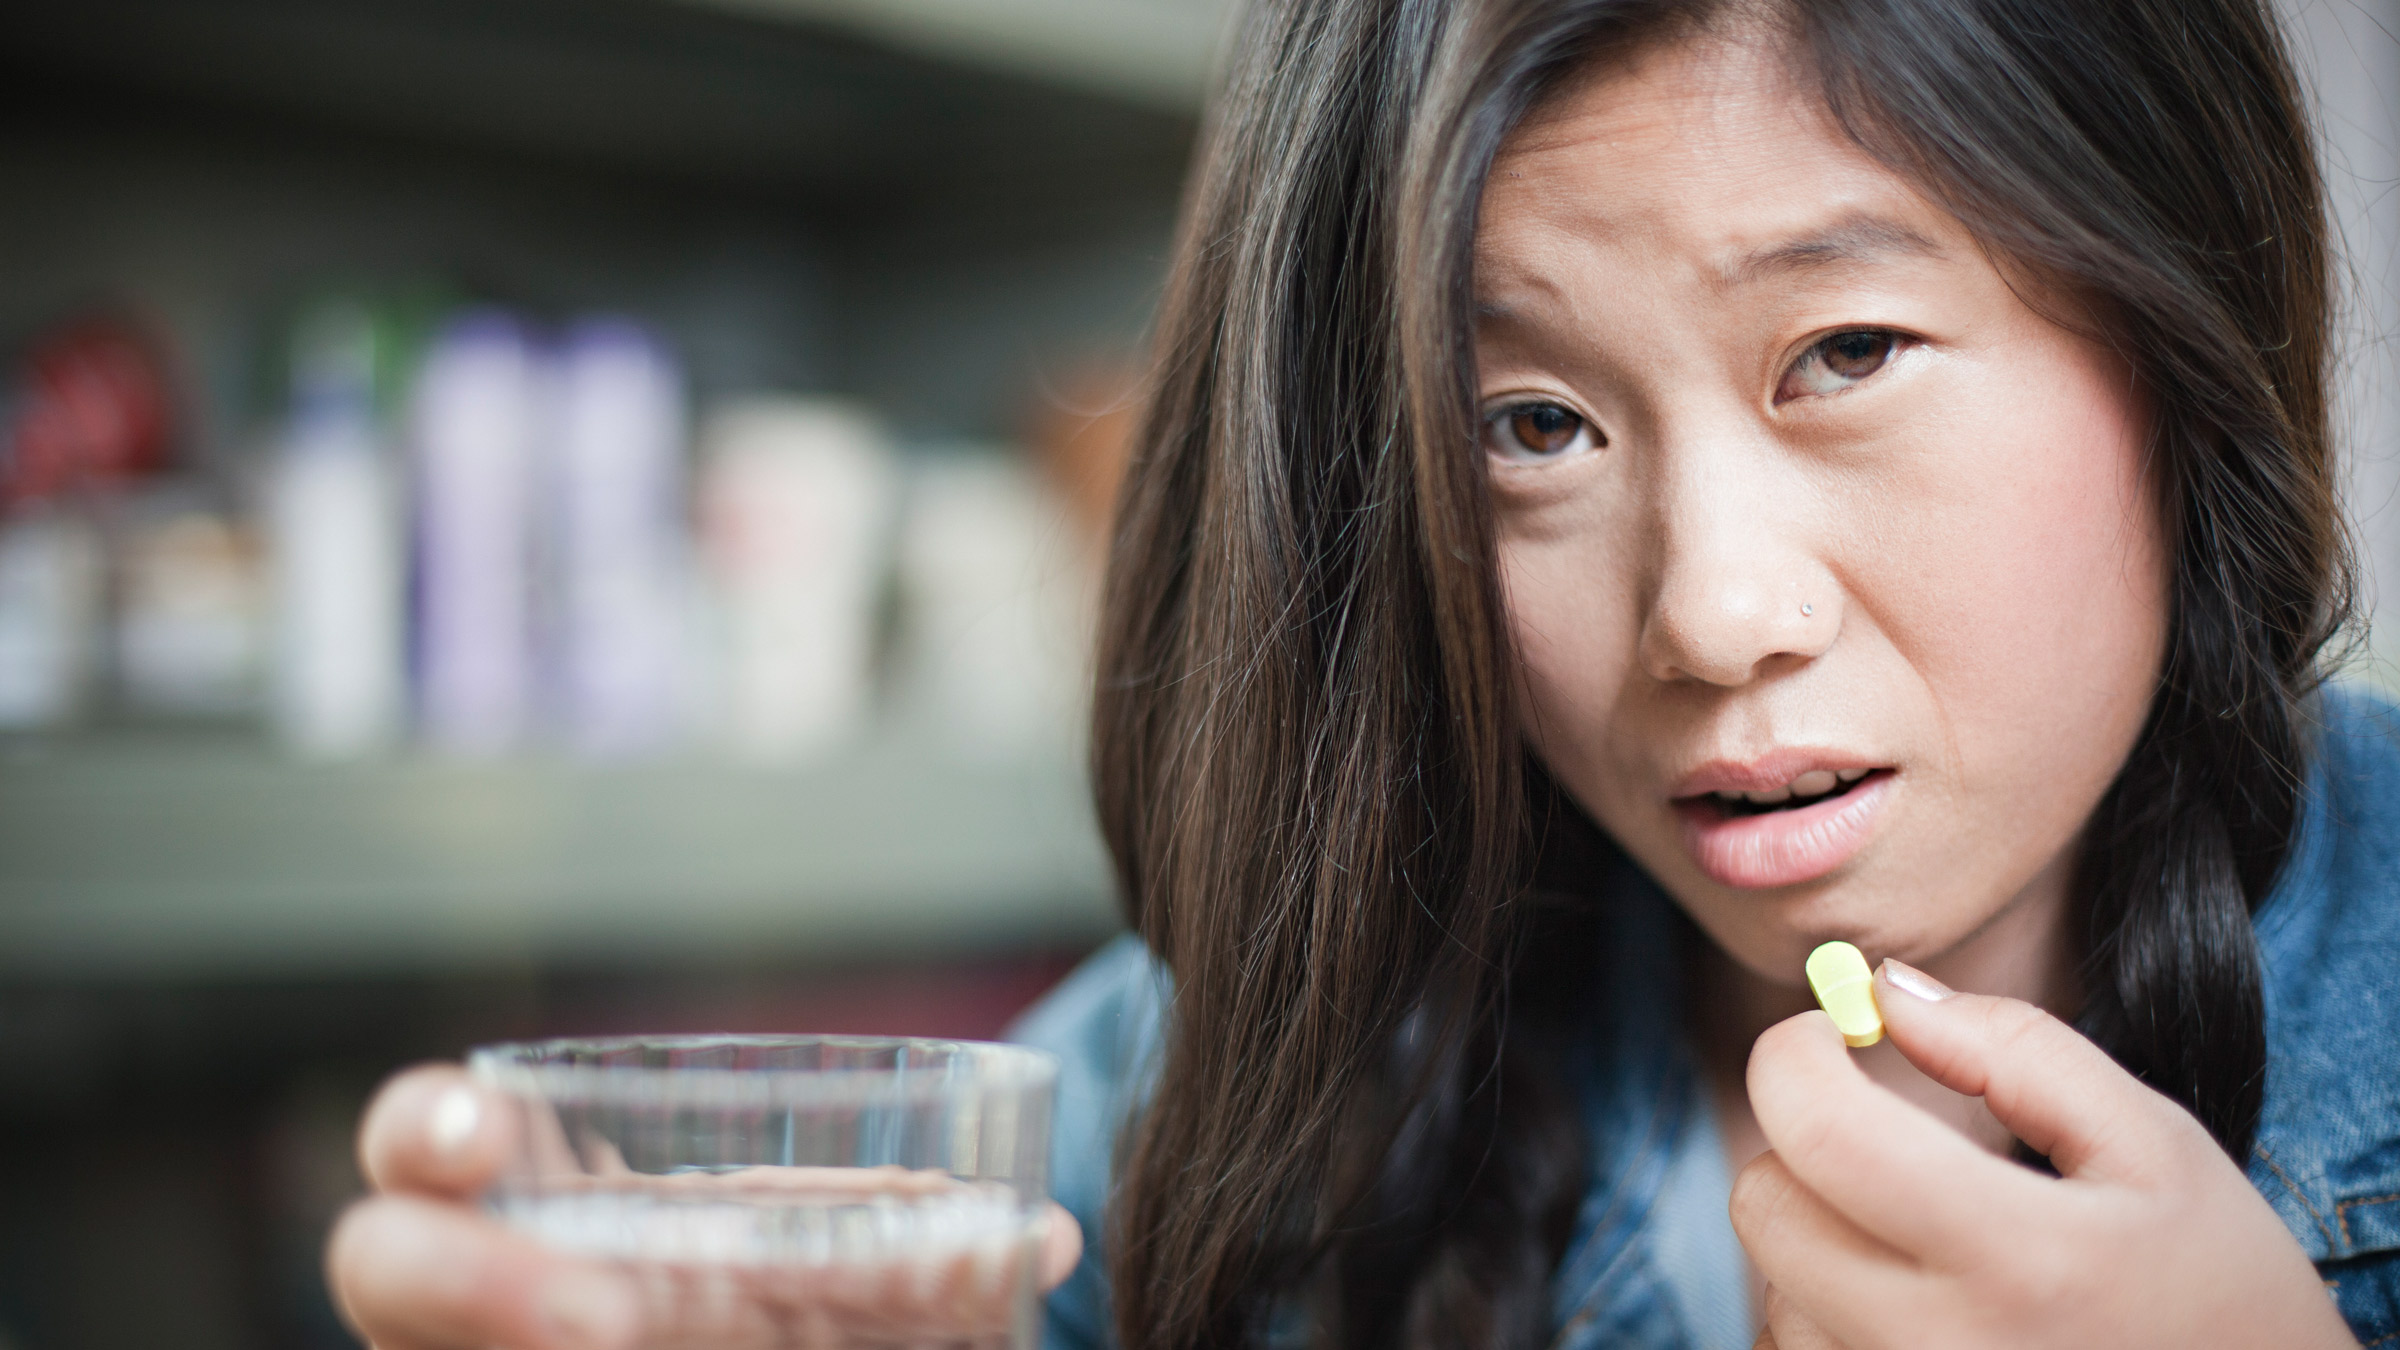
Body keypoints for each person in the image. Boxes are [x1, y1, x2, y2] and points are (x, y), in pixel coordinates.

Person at [326, 0, 2400, 1346]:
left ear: (2181, 337)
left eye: (1843, 356)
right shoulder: (1192, 1100)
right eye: (1530, 428)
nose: (1713, 613)